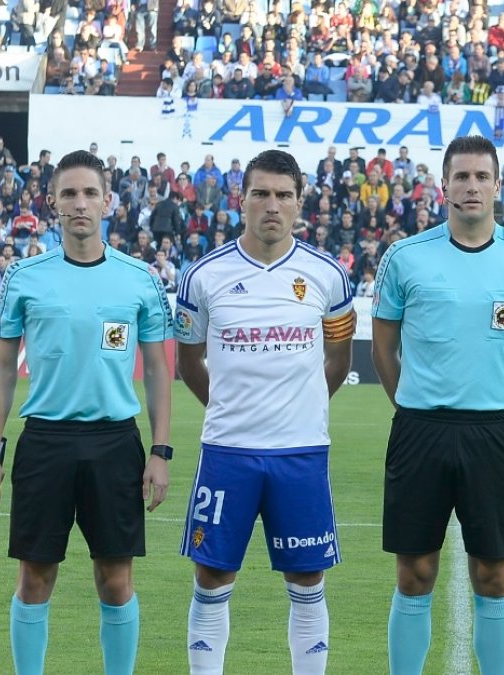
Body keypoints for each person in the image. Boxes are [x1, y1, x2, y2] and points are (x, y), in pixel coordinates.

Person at [370, 135, 504, 675]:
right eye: (462, 176)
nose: (472, 186)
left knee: (494, 576)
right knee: (414, 572)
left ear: (499, 185)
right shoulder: (405, 257)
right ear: (444, 186)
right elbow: (383, 343)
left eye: (482, 177)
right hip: (420, 432)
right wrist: (408, 404)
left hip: (495, 435)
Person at [0, 150, 173, 675]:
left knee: (116, 580)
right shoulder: (24, 276)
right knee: (35, 578)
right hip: (45, 443)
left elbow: (156, 369)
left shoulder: (139, 278)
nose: (80, 203)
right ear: (52, 204)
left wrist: (159, 451)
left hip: (115, 443)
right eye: (69, 194)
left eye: (90, 193)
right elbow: (1, 369)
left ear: (108, 202)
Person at [175, 150, 356, 675]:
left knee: (307, 582)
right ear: (242, 200)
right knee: (211, 579)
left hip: (300, 454)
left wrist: (299, 407)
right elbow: (190, 359)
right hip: (227, 453)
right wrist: (233, 408)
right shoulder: (202, 277)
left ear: (300, 203)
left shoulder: (329, 277)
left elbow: (338, 360)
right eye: (261, 194)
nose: (271, 205)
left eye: (283, 195)